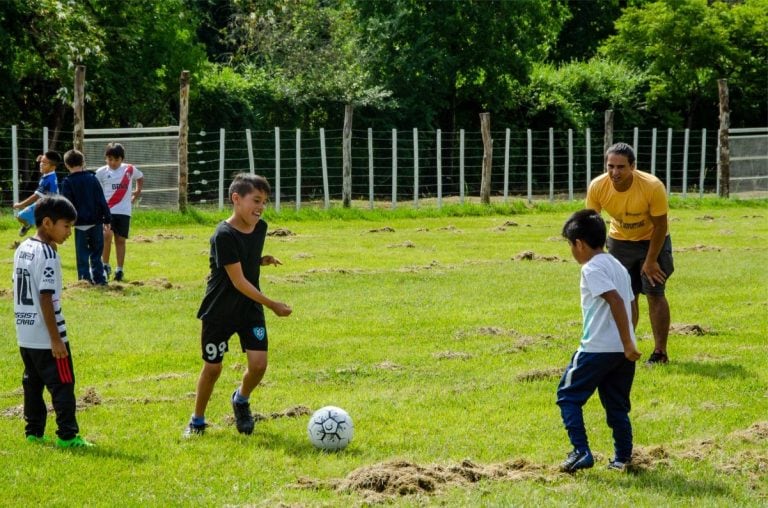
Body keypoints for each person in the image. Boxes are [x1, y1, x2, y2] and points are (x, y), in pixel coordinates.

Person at [184, 173, 293, 438]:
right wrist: (272, 304)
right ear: (236, 199)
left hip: (249, 310)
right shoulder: (222, 234)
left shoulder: (261, 227)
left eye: (264, 201)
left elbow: (244, 260)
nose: (261, 207)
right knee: (213, 368)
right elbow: (238, 281)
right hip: (220, 311)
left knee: (258, 365)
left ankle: (241, 400)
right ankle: (197, 421)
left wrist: (259, 260)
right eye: (256, 200)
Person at [557, 209, 641, 473]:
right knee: (617, 405)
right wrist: (627, 340)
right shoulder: (617, 265)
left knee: (568, 396)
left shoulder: (590, 268)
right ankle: (622, 458)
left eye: (570, 245)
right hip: (620, 352)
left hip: (596, 348)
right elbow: (631, 304)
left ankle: (581, 451)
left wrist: (627, 342)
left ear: (579, 244)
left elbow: (615, 300)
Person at [13, 195, 94, 448]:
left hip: (25, 334)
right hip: (47, 336)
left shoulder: (23, 247)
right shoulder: (48, 254)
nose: (69, 232)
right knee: (63, 384)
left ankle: (34, 432)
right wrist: (56, 339)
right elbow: (45, 297)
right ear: (47, 223)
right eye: (66, 226)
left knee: (32, 383)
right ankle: (68, 436)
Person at [586, 142, 674, 365]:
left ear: (633, 166)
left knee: (654, 293)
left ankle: (660, 353)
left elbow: (661, 226)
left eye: (621, 167)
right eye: (610, 166)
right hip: (619, 242)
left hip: (653, 240)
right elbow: (591, 223)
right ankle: (626, 349)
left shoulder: (652, 186)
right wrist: (596, 258)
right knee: (627, 296)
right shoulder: (597, 186)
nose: (615, 172)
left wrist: (651, 260)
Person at [60, 149, 112, 285]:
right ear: (83, 162)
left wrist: (66, 222)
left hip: (78, 223)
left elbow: (66, 203)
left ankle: (84, 280)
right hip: (96, 221)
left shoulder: (67, 182)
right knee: (96, 252)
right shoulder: (92, 179)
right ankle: (100, 279)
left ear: (66, 165)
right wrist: (107, 218)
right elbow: (101, 199)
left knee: (82, 253)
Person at [95, 142, 143, 282]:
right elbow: (93, 186)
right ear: (106, 158)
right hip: (107, 211)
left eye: (116, 160)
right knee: (106, 236)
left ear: (122, 159)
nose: (113, 162)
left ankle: (119, 269)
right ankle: (105, 266)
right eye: (110, 159)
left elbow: (140, 177)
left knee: (120, 240)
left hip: (124, 211)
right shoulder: (101, 172)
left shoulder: (129, 169)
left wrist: (137, 192)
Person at [13, 151, 61, 237]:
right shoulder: (50, 174)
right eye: (41, 162)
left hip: (47, 206)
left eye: (44, 163)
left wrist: (20, 205)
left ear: (53, 167)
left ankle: (33, 229)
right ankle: (29, 225)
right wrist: (42, 158)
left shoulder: (48, 180)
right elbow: (49, 161)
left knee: (20, 216)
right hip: (47, 203)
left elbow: (36, 196)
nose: (41, 164)